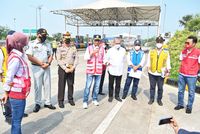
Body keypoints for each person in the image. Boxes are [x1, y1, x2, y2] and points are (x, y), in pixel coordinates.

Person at [1, 32, 31, 134]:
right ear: (19, 44)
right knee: (17, 121)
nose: (26, 45)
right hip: (17, 94)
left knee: (17, 120)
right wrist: (6, 93)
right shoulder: (15, 58)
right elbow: (9, 77)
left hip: (19, 93)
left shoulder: (19, 55)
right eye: (24, 43)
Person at [26, 28, 56, 112]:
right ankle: (38, 103)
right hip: (37, 68)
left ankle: (48, 102)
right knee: (37, 86)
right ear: (38, 34)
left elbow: (50, 55)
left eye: (45, 35)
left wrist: (48, 63)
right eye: (43, 35)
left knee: (47, 85)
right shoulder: (31, 44)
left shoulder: (47, 44)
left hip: (46, 67)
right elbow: (30, 56)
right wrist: (41, 63)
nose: (44, 37)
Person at [174, 36, 200, 114]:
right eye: (186, 42)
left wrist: (199, 74)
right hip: (182, 74)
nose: (186, 44)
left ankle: (189, 107)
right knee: (180, 91)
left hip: (192, 76)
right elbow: (181, 60)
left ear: (194, 44)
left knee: (191, 92)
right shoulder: (183, 51)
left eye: (188, 43)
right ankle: (180, 104)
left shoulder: (198, 52)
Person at [146, 36, 171, 106]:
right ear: (156, 42)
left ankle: (159, 99)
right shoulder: (152, 51)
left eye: (160, 42)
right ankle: (151, 99)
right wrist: (148, 67)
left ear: (162, 43)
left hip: (161, 73)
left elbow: (168, 61)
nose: (159, 43)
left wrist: (168, 70)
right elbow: (148, 60)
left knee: (160, 87)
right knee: (152, 87)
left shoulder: (166, 52)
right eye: (158, 42)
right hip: (152, 72)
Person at [56, 32, 79, 108]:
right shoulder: (59, 48)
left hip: (71, 68)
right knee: (61, 85)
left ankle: (70, 99)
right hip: (63, 69)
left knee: (70, 84)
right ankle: (60, 101)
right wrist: (65, 68)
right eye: (66, 39)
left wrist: (73, 67)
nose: (67, 40)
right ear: (63, 39)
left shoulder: (73, 48)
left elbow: (76, 58)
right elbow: (58, 60)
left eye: (68, 38)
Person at [83, 35, 105, 109]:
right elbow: (85, 58)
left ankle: (94, 99)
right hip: (90, 70)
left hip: (98, 71)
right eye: (96, 40)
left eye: (98, 40)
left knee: (96, 87)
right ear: (93, 40)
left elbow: (104, 58)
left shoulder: (102, 49)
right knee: (88, 86)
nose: (97, 42)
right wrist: (92, 53)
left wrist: (106, 62)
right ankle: (85, 101)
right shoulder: (89, 48)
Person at [104, 37, 126, 102]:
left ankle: (117, 96)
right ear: (114, 43)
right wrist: (107, 63)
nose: (118, 44)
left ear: (120, 43)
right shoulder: (110, 50)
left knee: (118, 84)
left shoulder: (123, 50)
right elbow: (105, 59)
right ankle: (110, 96)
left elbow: (124, 59)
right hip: (111, 70)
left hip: (119, 70)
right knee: (111, 84)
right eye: (116, 43)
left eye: (119, 43)